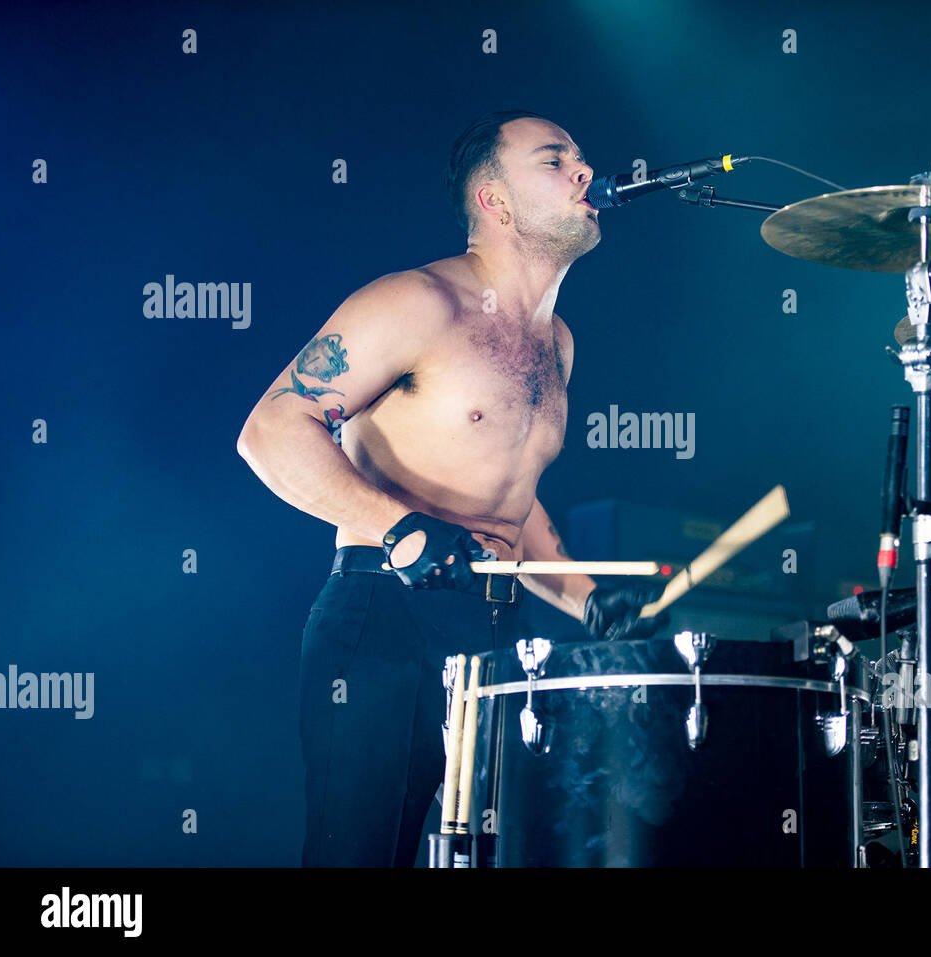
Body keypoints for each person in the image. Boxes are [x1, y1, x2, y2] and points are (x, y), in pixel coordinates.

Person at [236, 110, 664, 867]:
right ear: (496, 201)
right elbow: (270, 429)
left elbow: (510, 497)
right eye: (555, 160)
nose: (584, 172)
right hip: (383, 618)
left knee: (492, 853)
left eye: (582, 159)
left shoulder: (558, 344)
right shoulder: (420, 301)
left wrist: (589, 596)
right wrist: (399, 528)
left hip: (493, 633)